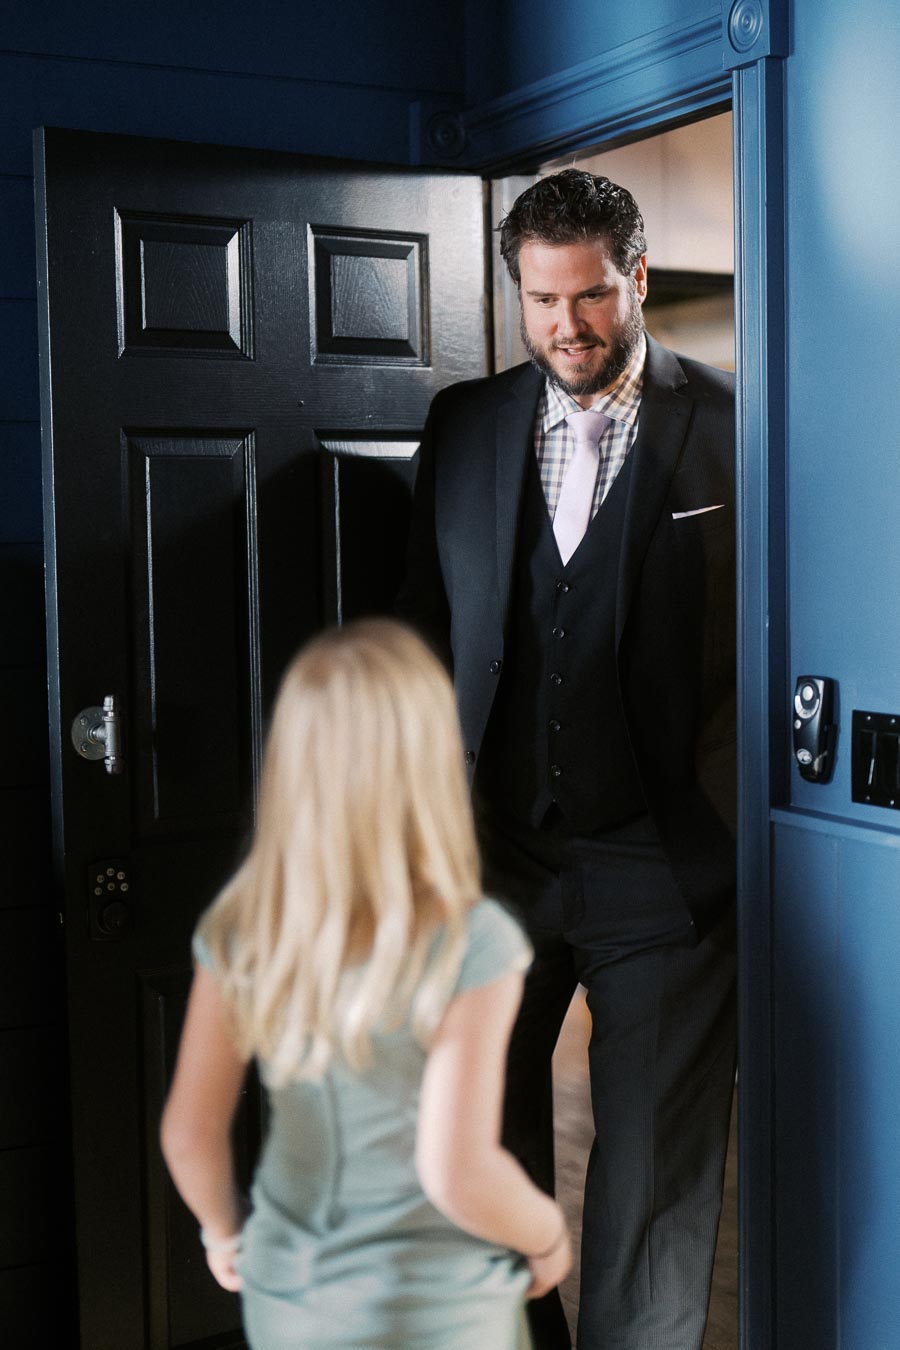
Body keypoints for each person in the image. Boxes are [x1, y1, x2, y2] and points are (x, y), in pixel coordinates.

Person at [396, 169, 737, 1350]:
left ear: (636, 278)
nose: (567, 327)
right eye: (541, 300)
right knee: (473, 1150)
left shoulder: (735, 422)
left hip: (664, 868)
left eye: (590, 296)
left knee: (652, 1193)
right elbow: (425, 629)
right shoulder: (466, 424)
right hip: (496, 856)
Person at [160, 617, 572, 1350]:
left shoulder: (245, 928)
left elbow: (189, 1134)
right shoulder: (474, 941)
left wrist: (222, 1233)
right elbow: (455, 1168)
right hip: (440, 1307)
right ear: (430, 764)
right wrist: (546, 1235)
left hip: (291, 1298)